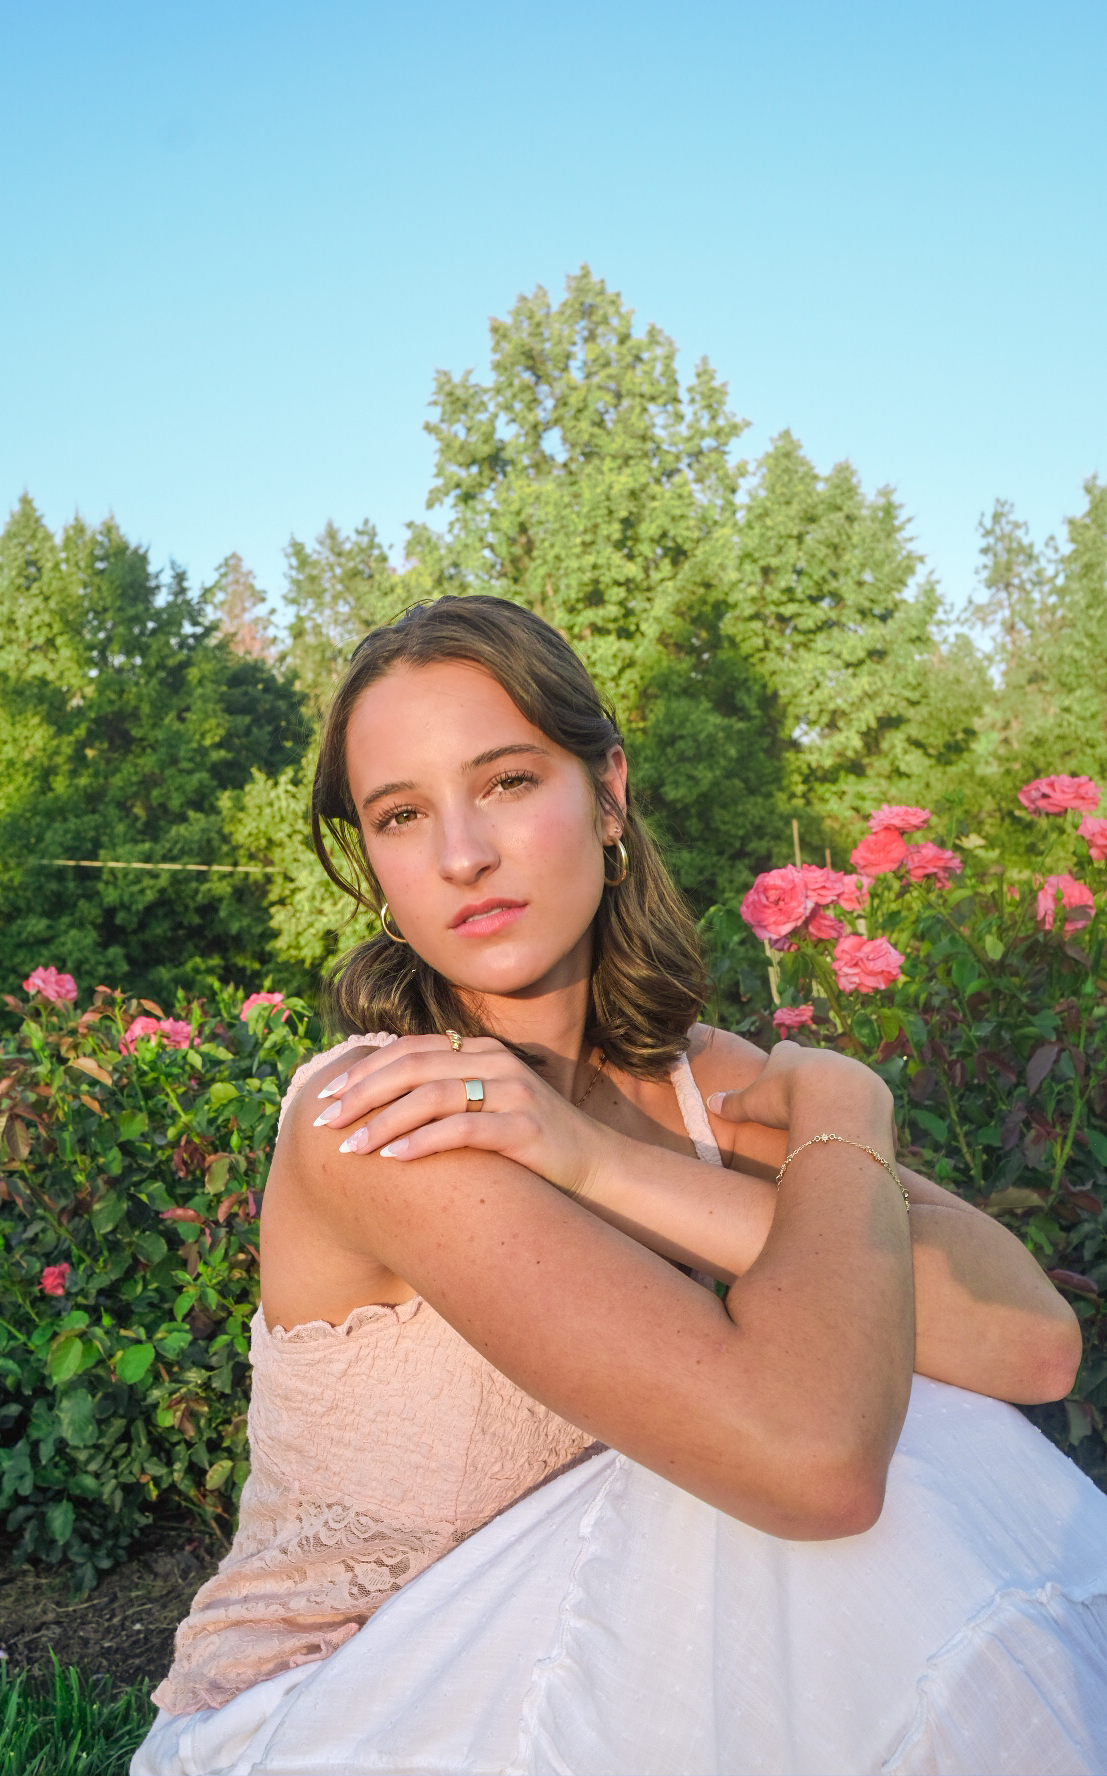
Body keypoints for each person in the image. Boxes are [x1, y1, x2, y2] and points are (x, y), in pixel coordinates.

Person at [134, 596, 1107, 1776]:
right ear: (373, 863)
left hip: (598, 1653)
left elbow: (1027, 1344)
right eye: (401, 815)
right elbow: (813, 1462)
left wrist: (784, 1118)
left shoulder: (699, 1085)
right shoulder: (382, 1116)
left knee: (926, 1420)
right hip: (346, 1710)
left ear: (606, 796)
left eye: (504, 782)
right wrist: (831, 1121)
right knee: (836, 1459)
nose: (460, 854)